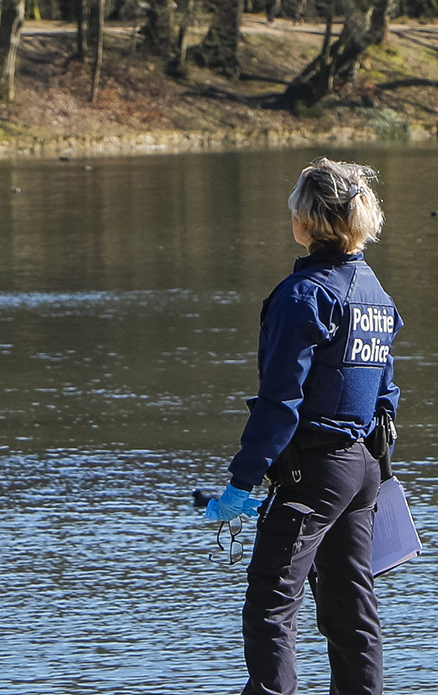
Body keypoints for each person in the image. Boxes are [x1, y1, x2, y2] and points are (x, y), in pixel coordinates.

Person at [202, 158, 400, 695]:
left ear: (305, 218)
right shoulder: (374, 293)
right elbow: (386, 394)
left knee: (271, 598)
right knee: (351, 604)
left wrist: (242, 481)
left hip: (313, 473)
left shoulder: (302, 295)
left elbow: (280, 401)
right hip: (363, 470)